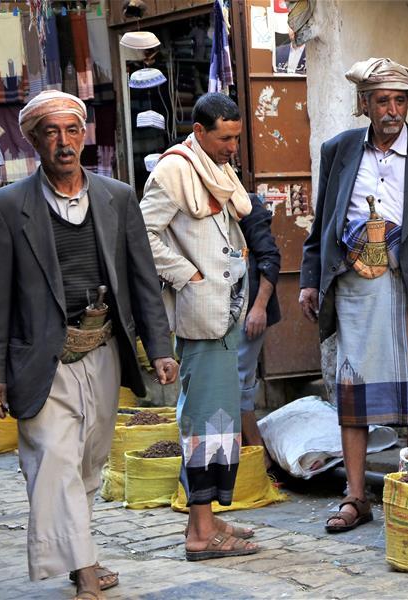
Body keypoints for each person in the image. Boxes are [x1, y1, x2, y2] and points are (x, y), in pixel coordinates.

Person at [0, 90, 177, 599]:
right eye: (51, 132)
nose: (63, 143)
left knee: (88, 462)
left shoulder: (117, 196)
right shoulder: (5, 207)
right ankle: (85, 570)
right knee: (54, 460)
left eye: (72, 130)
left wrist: (159, 347)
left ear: (84, 135)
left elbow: (142, 278)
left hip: (102, 348)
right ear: (34, 140)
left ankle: (76, 552)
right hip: (39, 356)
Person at [299, 57, 408, 532]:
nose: (392, 111)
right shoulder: (338, 151)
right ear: (365, 105)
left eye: (400, 101)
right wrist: (310, 279)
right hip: (357, 287)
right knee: (353, 390)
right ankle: (355, 497)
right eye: (383, 101)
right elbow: (322, 225)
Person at [140, 93, 259, 561]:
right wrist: (185, 273)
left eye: (237, 137)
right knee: (206, 423)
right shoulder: (173, 170)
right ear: (200, 132)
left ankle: (205, 520)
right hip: (201, 314)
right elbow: (142, 233)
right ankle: (199, 534)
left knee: (220, 424)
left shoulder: (218, 168)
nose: (233, 146)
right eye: (225, 138)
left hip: (224, 311)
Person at [238, 193, 281, 464]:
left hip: (250, 310)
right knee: (235, 384)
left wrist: (259, 307)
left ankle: (257, 458)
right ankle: (251, 456)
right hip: (223, 312)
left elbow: (270, 257)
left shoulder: (246, 203)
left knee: (239, 382)